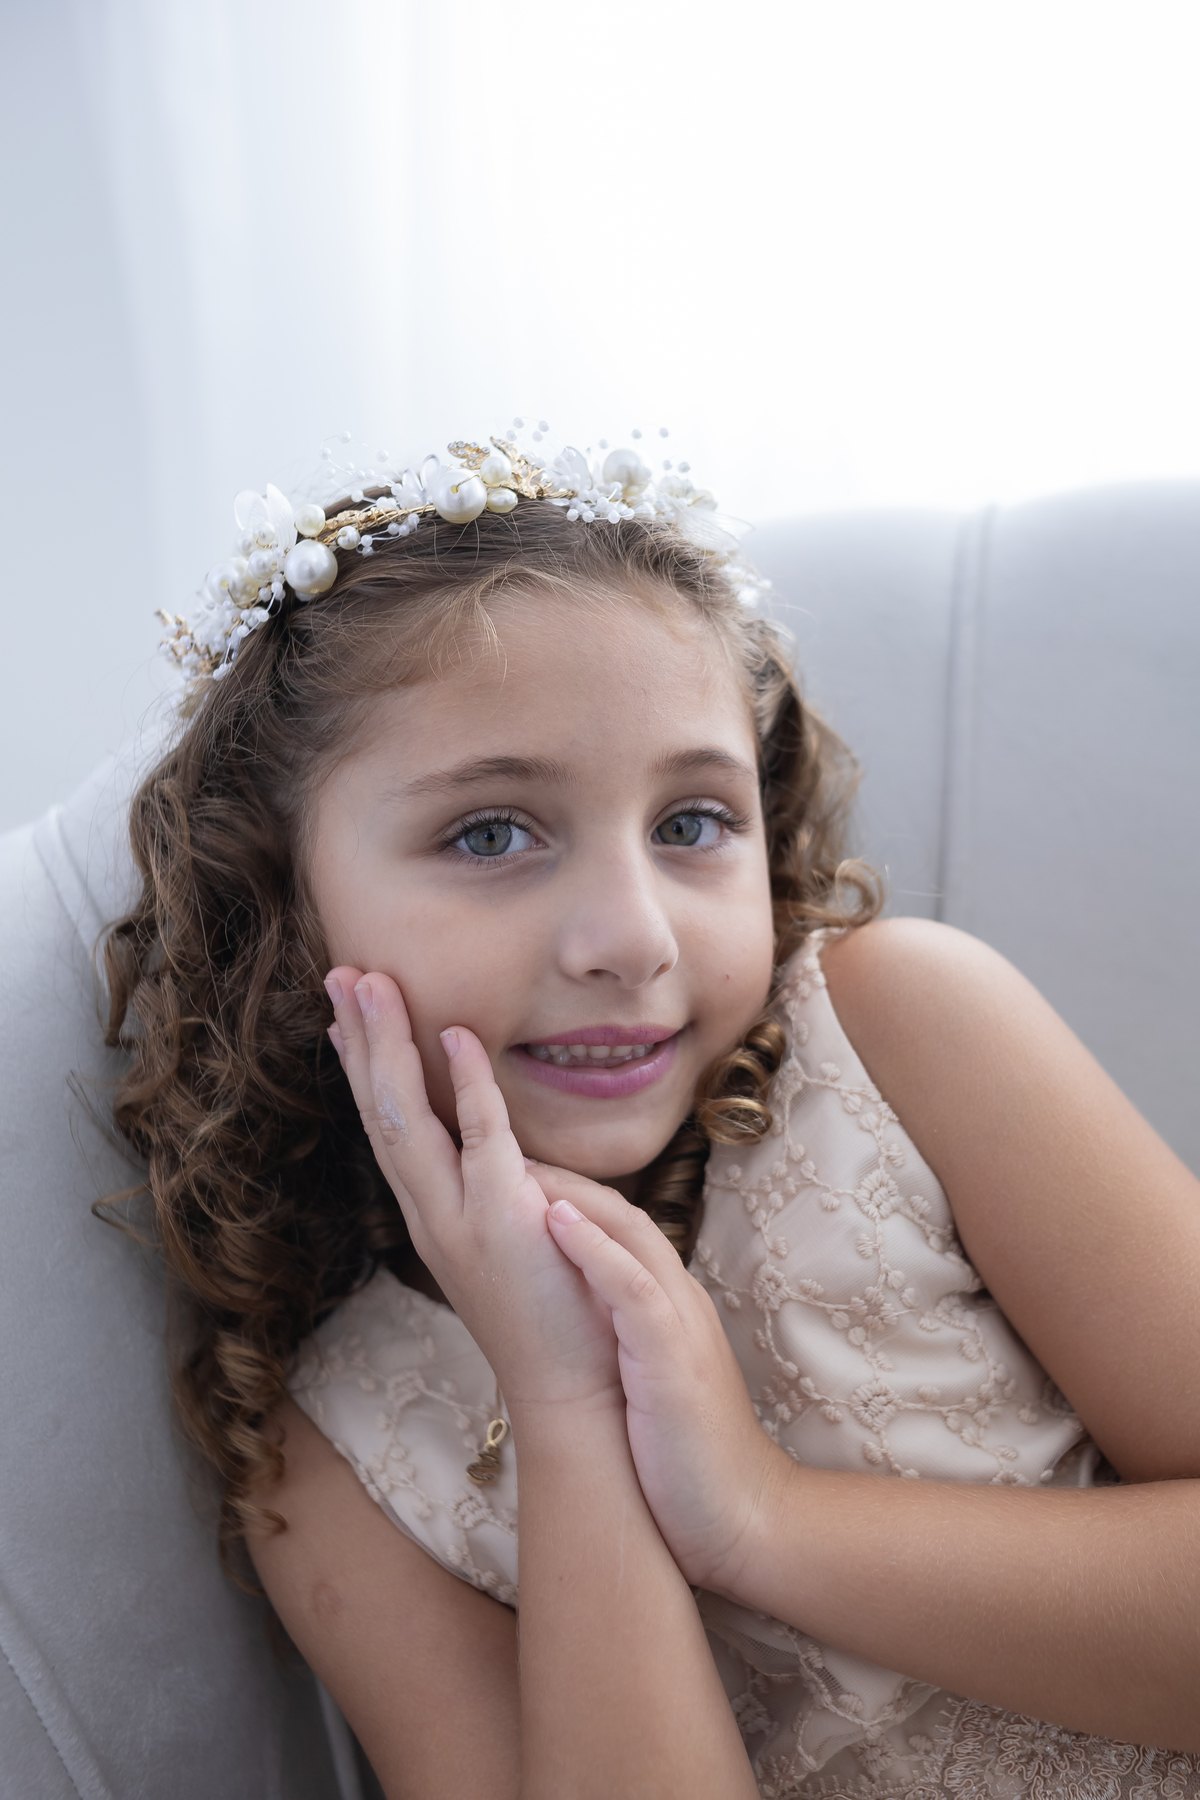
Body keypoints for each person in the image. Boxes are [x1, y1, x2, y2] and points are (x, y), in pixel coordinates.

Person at [105, 429, 1200, 1799]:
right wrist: (564, 1412)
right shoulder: (330, 1451)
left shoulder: (907, 1036)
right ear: (277, 902)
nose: (631, 937)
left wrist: (763, 1519)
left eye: (691, 823)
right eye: (492, 833)